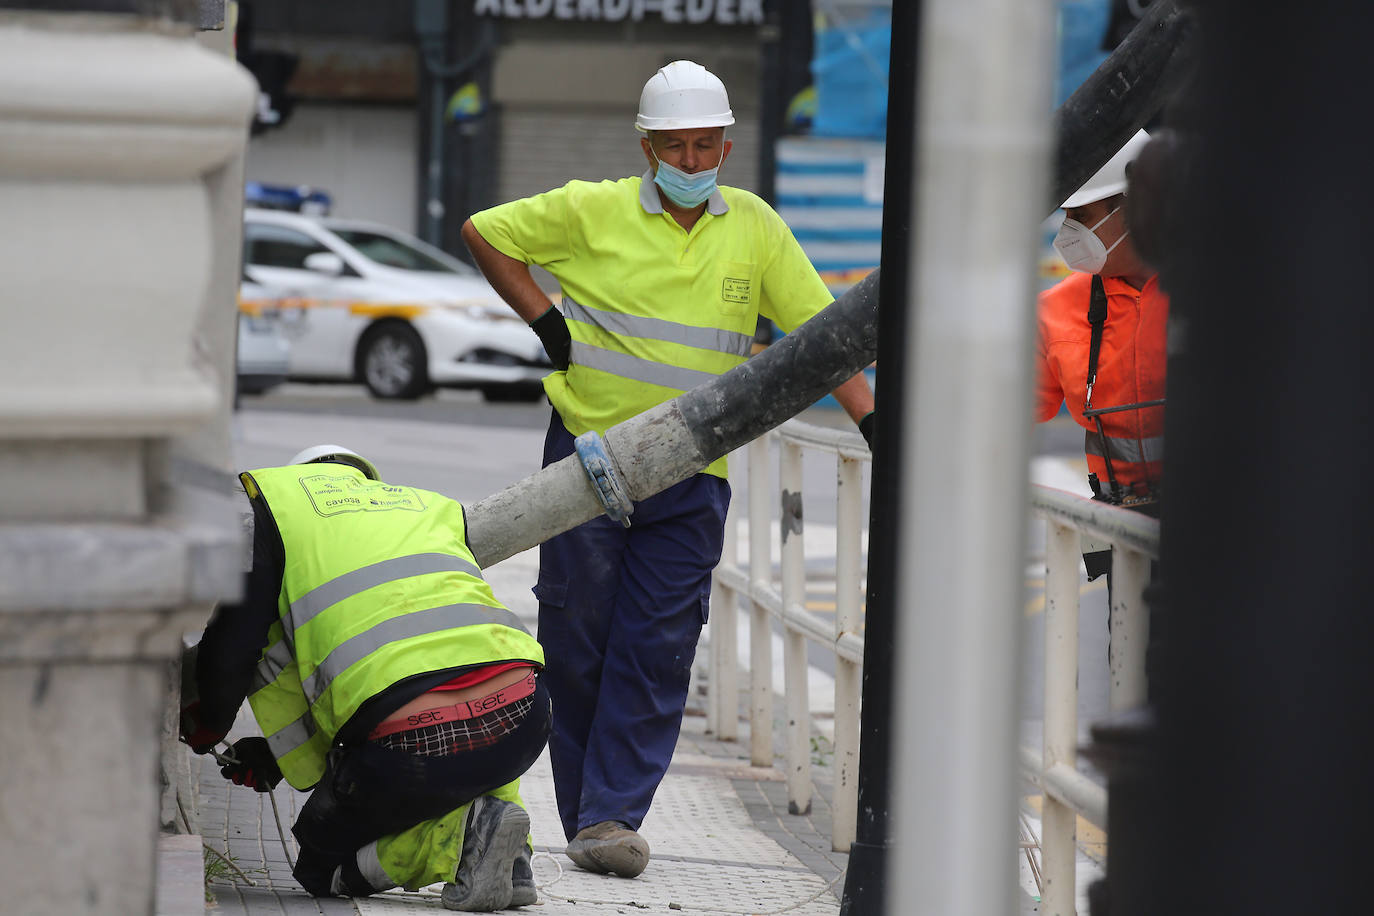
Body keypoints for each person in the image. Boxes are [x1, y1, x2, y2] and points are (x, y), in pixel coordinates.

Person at [459, 60, 876, 878]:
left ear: (727, 143)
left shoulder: (753, 226)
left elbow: (824, 335)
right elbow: (485, 230)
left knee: (656, 646)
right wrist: (545, 322)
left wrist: (876, 423)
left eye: (704, 147)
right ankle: (589, 812)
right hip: (585, 459)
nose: (691, 163)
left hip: (692, 477)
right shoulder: (590, 210)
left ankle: (612, 816)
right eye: (674, 148)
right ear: (647, 147)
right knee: (576, 636)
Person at [179, 444, 550, 911]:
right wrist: (269, 757)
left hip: (413, 739)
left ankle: (457, 841)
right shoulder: (425, 508)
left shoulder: (274, 508)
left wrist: (208, 724)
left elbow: (234, 648)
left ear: (302, 478)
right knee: (482, 692)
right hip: (527, 713)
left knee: (324, 867)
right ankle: (514, 858)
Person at [1035, 128, 1165, 529]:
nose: (1068, 234)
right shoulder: (1054, 310)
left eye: (1081, 217)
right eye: (1067, 217)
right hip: (1120, 528)